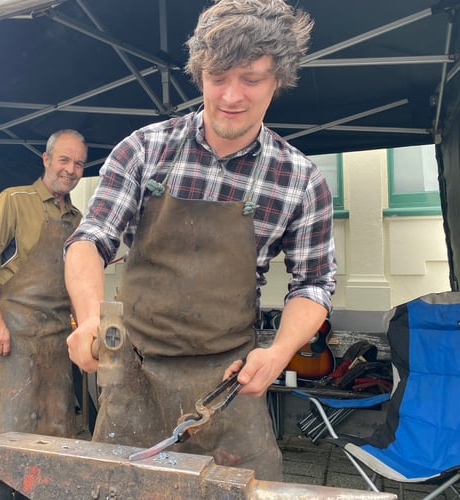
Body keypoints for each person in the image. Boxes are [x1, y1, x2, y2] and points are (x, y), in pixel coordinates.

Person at [64, 0, 335, 481]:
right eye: (217, 77)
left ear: (278, 80)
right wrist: (88, 318)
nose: (231, 95)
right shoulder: (146, 148)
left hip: (228, 384)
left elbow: (313, 284)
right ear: (200, 75)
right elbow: (91, 239)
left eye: (250, 79)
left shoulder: (299, 179)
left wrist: (276, 355)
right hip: (134, 373)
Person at [0, 129, 87, 499]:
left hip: (56, 341)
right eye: (63, 159)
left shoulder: (77, 217)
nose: (70, 169)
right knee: (12, 433)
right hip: (14, 336)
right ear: (46, 159)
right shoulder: (14, 200)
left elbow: (76, 278)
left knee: (55, 431)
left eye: (79, 163)